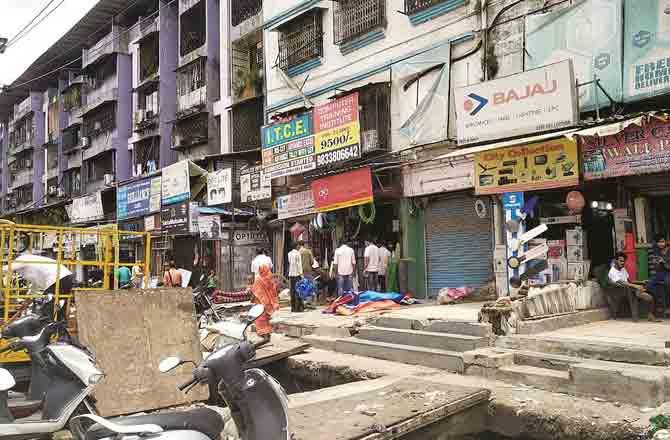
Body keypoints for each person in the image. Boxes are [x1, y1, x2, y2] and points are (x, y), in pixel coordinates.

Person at [8, 253, 74, 319]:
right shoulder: (33, 263)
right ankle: (61, 324)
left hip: (56, 279)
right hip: (67, 278)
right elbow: (34, 286)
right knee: (60, 307)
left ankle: (48, 325)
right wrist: (27, 301)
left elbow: (8, 268)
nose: (17, 272)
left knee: (47, 309)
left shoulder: (22, 259)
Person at [608, 252, 658, 321]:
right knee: (637, 290)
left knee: (651, 292)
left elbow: (629, 281)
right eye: (621, 261)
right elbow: (622, 282)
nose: (623, 263)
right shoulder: (612, 271)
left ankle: (650, 314)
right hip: (619, 291)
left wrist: (641, 282)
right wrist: (636, 286)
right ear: (615, 261)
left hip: (629, 288)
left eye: (624, 261)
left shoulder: (623, 269)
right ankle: (640, 293)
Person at [251, 265, 279, 341]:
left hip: (260, 302)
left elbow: (255, 292)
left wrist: (252, 299)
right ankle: (267, 334)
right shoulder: (270, 278)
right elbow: (274, 291)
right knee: (266, 319)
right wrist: (274, 301)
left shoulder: (258, 280)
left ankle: (264, 335)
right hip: (268, 303)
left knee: (260, 319)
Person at [647, 233, 670, 317]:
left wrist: (664, 262)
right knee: (649, 284)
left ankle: (668, 306)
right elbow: (654, 266)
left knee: (668, 283)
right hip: (659, 273)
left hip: (668, 272)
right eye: (659, 242)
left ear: (665, 242)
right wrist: (655, 263)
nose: (661, 243)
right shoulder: (655, 251)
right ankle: (659, 303)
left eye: (662, 241)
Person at [287, 242, 304, 312]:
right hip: (297, 274)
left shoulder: (289, 254)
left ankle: (293, 307)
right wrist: (301, 274)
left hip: (291, 274)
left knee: (292, 291)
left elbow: (290, 263)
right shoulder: (297, 253)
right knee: (298, 291)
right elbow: (299, 264)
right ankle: (298, 307)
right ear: (296, 246)